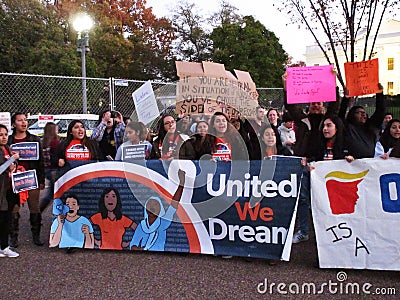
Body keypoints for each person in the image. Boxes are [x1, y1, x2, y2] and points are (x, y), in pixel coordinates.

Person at [283, 72, 341, 244]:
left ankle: (327, 232)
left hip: (324, 165)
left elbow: (336, 106)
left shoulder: (328, 120)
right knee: (302, 199)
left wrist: (334, 84)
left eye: (319, 103)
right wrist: (287, 87)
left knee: (326, 200)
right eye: (313, 103)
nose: (316, 105)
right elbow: (290, 105)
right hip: (304, 163)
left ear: (323, 105)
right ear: (309, 105)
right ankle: (303, 231)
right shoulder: (302, 119)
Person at [8, 112, 45, 247]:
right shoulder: (9, 141)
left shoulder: (34, 139)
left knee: (34, 207)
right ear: (13, 124)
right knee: (14, 209)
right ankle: (14, 238)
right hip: (14, 180)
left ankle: (36, 236)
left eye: (25, 120)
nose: (23, 123)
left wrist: (41, 179)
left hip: (31, 178)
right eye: (20, 120)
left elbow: (40, 161)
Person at [130, 169, 185, 251]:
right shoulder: (142, 225)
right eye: (150, 204)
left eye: (155, 205)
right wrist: (137, 248)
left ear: (160, 209)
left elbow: (174, 204)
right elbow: (133, 244)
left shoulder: (163, 222)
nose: (152, 207)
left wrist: (181, 184)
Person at [339, 84, 385, 159]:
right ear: (352, 115)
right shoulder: (347, 127)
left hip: (368, 165)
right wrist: (346, 98)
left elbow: (380, 112)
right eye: (359, 112)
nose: (363, 114)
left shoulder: (370, 127)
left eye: (364, 112)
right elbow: (341, 114)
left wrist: (380, 94)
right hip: (350, 164)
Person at [0, 124, 20, 257]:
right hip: (1, 190)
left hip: (9, 189)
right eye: (0, 135)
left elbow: (10, 166)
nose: (3, 137)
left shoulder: (7, 148)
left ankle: (4, 246)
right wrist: (12, 160)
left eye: (6, 135)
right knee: (3, 217)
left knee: (6, 217)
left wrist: (14, 165)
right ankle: (4, 247)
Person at [39, 122, 60, 212]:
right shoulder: (55, 142)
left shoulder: (43, 142)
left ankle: (38, 212)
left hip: (47, 170)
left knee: (51, 193)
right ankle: (38, 212)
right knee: (52, 194)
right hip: (54, 170)